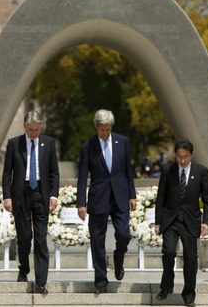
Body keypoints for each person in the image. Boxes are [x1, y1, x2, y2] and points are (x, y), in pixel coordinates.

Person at [77, 109, 136, 294]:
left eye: (108, 130)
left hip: (120, 195)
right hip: (98, 198)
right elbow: (82, 177)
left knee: (124, 234)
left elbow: (128, 170)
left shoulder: (123, 142)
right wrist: (81, 203)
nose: (105, 133)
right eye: (102, 129)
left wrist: (132, 195)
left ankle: (119, 259)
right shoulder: (88, 147)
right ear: (96, 127)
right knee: (97, 240)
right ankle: (100, 282)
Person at [2, 111, 59, 294]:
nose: (33, 133)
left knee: (41, 239)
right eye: (30, 130)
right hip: (21, 193)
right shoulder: (14, 144)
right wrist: (7, 197)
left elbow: (54, 172)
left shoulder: (49, 143)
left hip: (41, 194)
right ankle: (24, 268)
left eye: (36, 130)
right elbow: (6, 173)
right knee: (25, 237)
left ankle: (41, 281)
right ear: (24, 127)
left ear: (40, 127)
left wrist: (54, 195)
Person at [155, 140, 208, 307]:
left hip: (190, 221)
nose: (182, 160)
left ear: (192, 155)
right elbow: (161, 197)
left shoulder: (201, 171)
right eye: (179, 157)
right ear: (175, 155)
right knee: (168, 252)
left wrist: (206, 222)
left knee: (190, 258)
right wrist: (158, 222)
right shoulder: (168, 170)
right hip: (170, 220)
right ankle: (166, 286)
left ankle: (189, 294)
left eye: (185, 157)